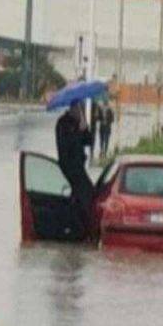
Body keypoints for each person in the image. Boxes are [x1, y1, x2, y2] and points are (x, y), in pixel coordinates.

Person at [56, 101, 94, 236]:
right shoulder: (63, 123)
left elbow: (88, 141)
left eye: (81, 110)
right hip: (69, 167)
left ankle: (81, 227)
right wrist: (78, 130)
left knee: (88, 194)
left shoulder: (79, 124)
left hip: (79, 166)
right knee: (85, 194)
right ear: (72, 109)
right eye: (79, 109)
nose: (80, 112)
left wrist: (85, 128)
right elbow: (67, 144)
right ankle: (78, 226)